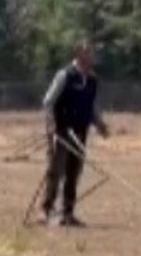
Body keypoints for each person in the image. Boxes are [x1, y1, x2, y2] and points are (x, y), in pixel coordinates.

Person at [40, 40, 109, 227]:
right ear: (79, 54)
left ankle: (67, 213)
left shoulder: (92, 80)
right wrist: (52, 124)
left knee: (74, 172)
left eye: (92, 53)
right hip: (62, 131)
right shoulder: (65, 75)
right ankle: (47, 210)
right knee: (56, 171)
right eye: (88, 53)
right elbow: (48, 102)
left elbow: (91, 105)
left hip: (80, 132)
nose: (91, 57)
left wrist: (100, 124)